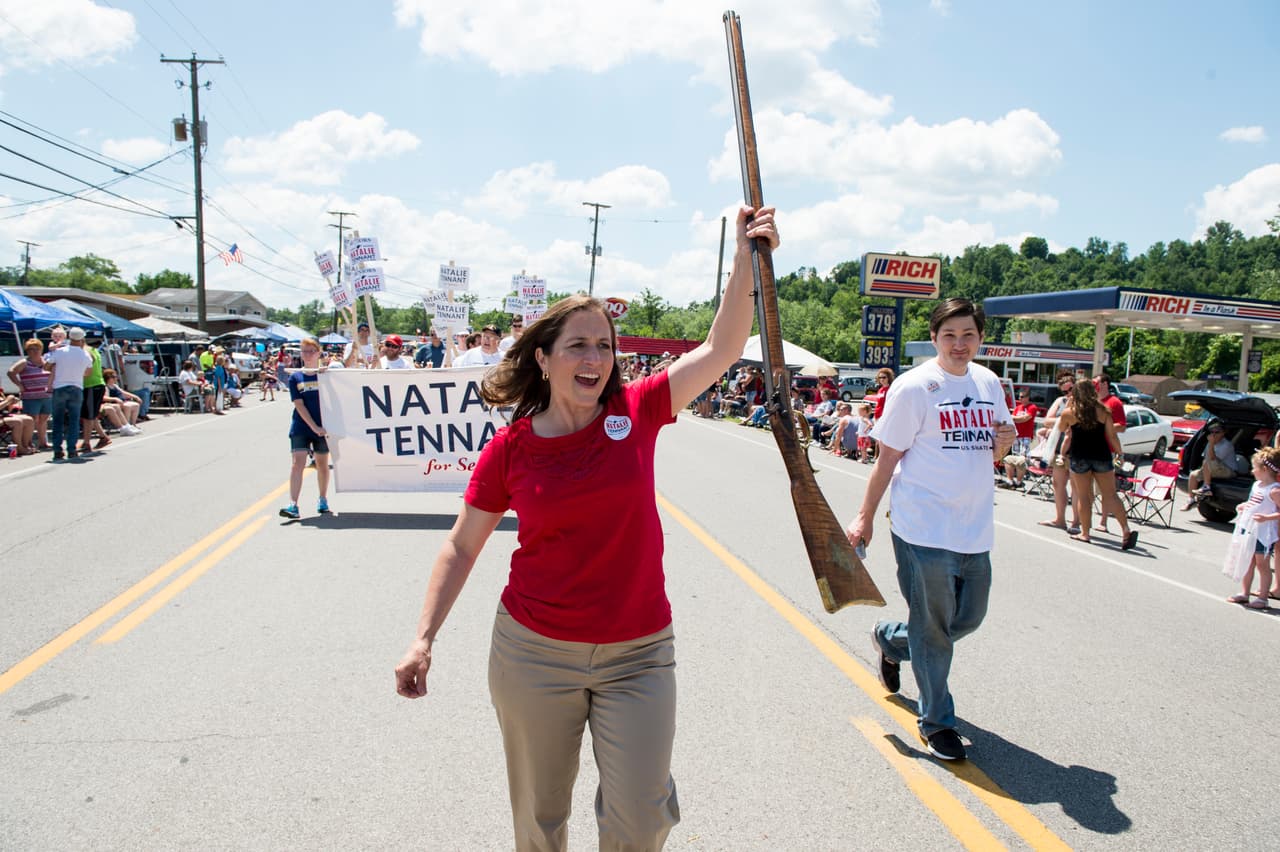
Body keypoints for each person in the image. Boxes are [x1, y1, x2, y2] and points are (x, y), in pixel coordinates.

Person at [394, 206, 779, 851]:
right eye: (578, 344)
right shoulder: (510, 451)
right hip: (534, 654)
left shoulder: (639, 409)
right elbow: (462, 546)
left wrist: (744, 259)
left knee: (643, 815)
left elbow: (721, 350)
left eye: (604, 345)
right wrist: (423, 638)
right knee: (541, 821)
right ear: (544, 359)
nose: (595, 357)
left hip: (640, 652)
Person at [848, 298, 1015, 762]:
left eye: (968, 335)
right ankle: (937, 722)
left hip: (975, 529)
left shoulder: (989, 382)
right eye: (950, 336)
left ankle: (891, 638)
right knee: (936, 629)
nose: (960, 344)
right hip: (923, 529)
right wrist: (864, 517)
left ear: (981, 338)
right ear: (935, 338)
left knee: (966, 619)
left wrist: (1006, 443)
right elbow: (887, 460)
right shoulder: (914, 388)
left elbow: (994, 451)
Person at [1056, 379, 1138, 550]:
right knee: (1111, 495)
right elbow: (1112, 436)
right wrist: (1120, 453)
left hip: (1080, 457)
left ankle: (1085, 533)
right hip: (1102, 456)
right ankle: (1125, 530)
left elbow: (1062, 429)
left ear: (1076, 394)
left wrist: (1069, 407)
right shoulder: (1103, 411)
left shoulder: (1070, 412)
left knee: (1084, 496)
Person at [280, 338, 331, 520]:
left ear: (318, 353)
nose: (307, 355)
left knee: (322, 465)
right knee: (297, 464)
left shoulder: (326, 375)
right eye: (304, 351)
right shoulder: (296, 377)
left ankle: (322, 498)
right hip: (302, 426)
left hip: (323, 427)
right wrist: (313, 426)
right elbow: (299, 404)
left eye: (311, 351)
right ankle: (293, 504)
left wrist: (321, 427)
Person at [1226, 448, 1280, 609]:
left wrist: (1267, 518)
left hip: (1263, 533)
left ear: (1265, 469)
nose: (1252, 471)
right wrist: (1244, 506)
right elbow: (1254, 502)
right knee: (1248, 561)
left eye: (1254, 467)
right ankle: (1245, 593)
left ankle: (1263, 598)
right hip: (1249, 529)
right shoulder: (1257, 485)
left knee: (1262, 565)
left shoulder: (1275, 490)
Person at [1036, 370, 1081, 533]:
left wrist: (1068, 419)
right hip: (1060, 446)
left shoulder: (1085, 402)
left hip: (1078, 448)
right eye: (1065, 391)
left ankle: (1077, 522)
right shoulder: (1060, 401)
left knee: (1077, 486)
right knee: (1058, 483)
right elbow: (1047, 420)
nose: (1068, 393)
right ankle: (1060, 519)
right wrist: (1065, 419)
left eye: (1071, 389)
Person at [44, 327, 93, 460]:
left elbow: (46, 366)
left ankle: (57, 450)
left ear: (69, 337)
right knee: (74, 420)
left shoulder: (60, 352)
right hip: (76, 386)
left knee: (58, 420)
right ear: (82, 339)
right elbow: (88, 372)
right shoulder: (85, 354)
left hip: (60, 386)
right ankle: (72, 449)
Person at [7, 338, 53, 450]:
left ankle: (43, 442)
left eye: (37, 348)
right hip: (31, 396)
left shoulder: (46, 362)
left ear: (41, 349)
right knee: (32, 420)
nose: (35, 351)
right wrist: (19, 385)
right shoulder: (24, 362)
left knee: (43, 420)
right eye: (31, 349)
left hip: (46, 396)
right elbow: (11, 372)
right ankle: (28, 442)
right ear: (27, 351)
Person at [1185, 424, 1237, 508]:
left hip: (1229, 471)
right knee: (1193, 475)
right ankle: (1191, 500)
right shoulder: (1209, 443)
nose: (1214, 434)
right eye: (1212, 432)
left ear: (1223, 433)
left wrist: (1212, 443)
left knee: (1207, 462)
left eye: (1217, 432)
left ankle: (1206, 487)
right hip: (1214, 468)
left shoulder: (1226, 445)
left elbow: (1212, 458)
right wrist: (1211, 444)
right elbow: (1208, 458)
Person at [79, 335, 111, 453]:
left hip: (91, 385)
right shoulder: (93, 350)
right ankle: (103, 437)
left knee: (88, 416)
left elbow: (88, 368)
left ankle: (86, 443)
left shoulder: (86, 352)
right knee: (90, 415)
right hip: (94, 385)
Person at [101, 369, 142, 435]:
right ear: (108, 378)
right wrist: (115, 399)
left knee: (136, 405)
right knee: (127, 406)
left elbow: (124, 393)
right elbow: (106, 397)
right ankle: (126, 425)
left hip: (122, 401)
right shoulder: (106, 387)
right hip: (115, 403)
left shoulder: (115, 386)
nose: (115, 378)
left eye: (116, 377)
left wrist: (135, 397)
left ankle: (133, 424)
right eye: (113, 377)